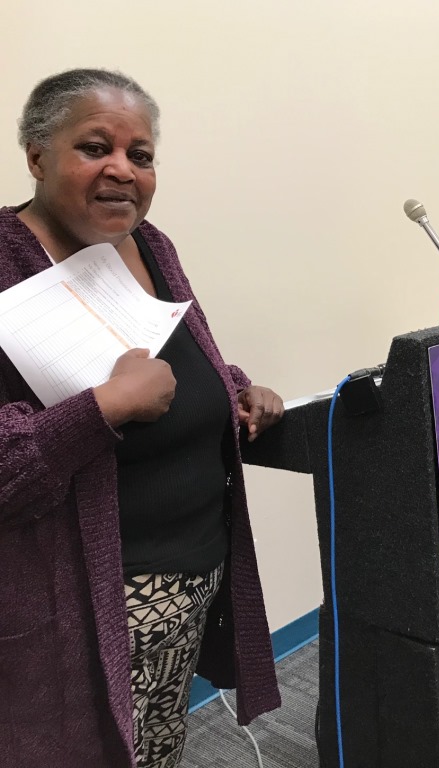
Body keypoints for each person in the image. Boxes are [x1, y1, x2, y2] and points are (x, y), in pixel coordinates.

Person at [0, 69, 284, 767]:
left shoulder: (151, 245)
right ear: (37, 155)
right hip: (80, 605)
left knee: (157, 746)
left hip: (193, 573)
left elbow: (181, 357)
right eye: (95, 147)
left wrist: (235, 388)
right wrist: (103, 409)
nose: (122, 170)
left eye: (141, 154)